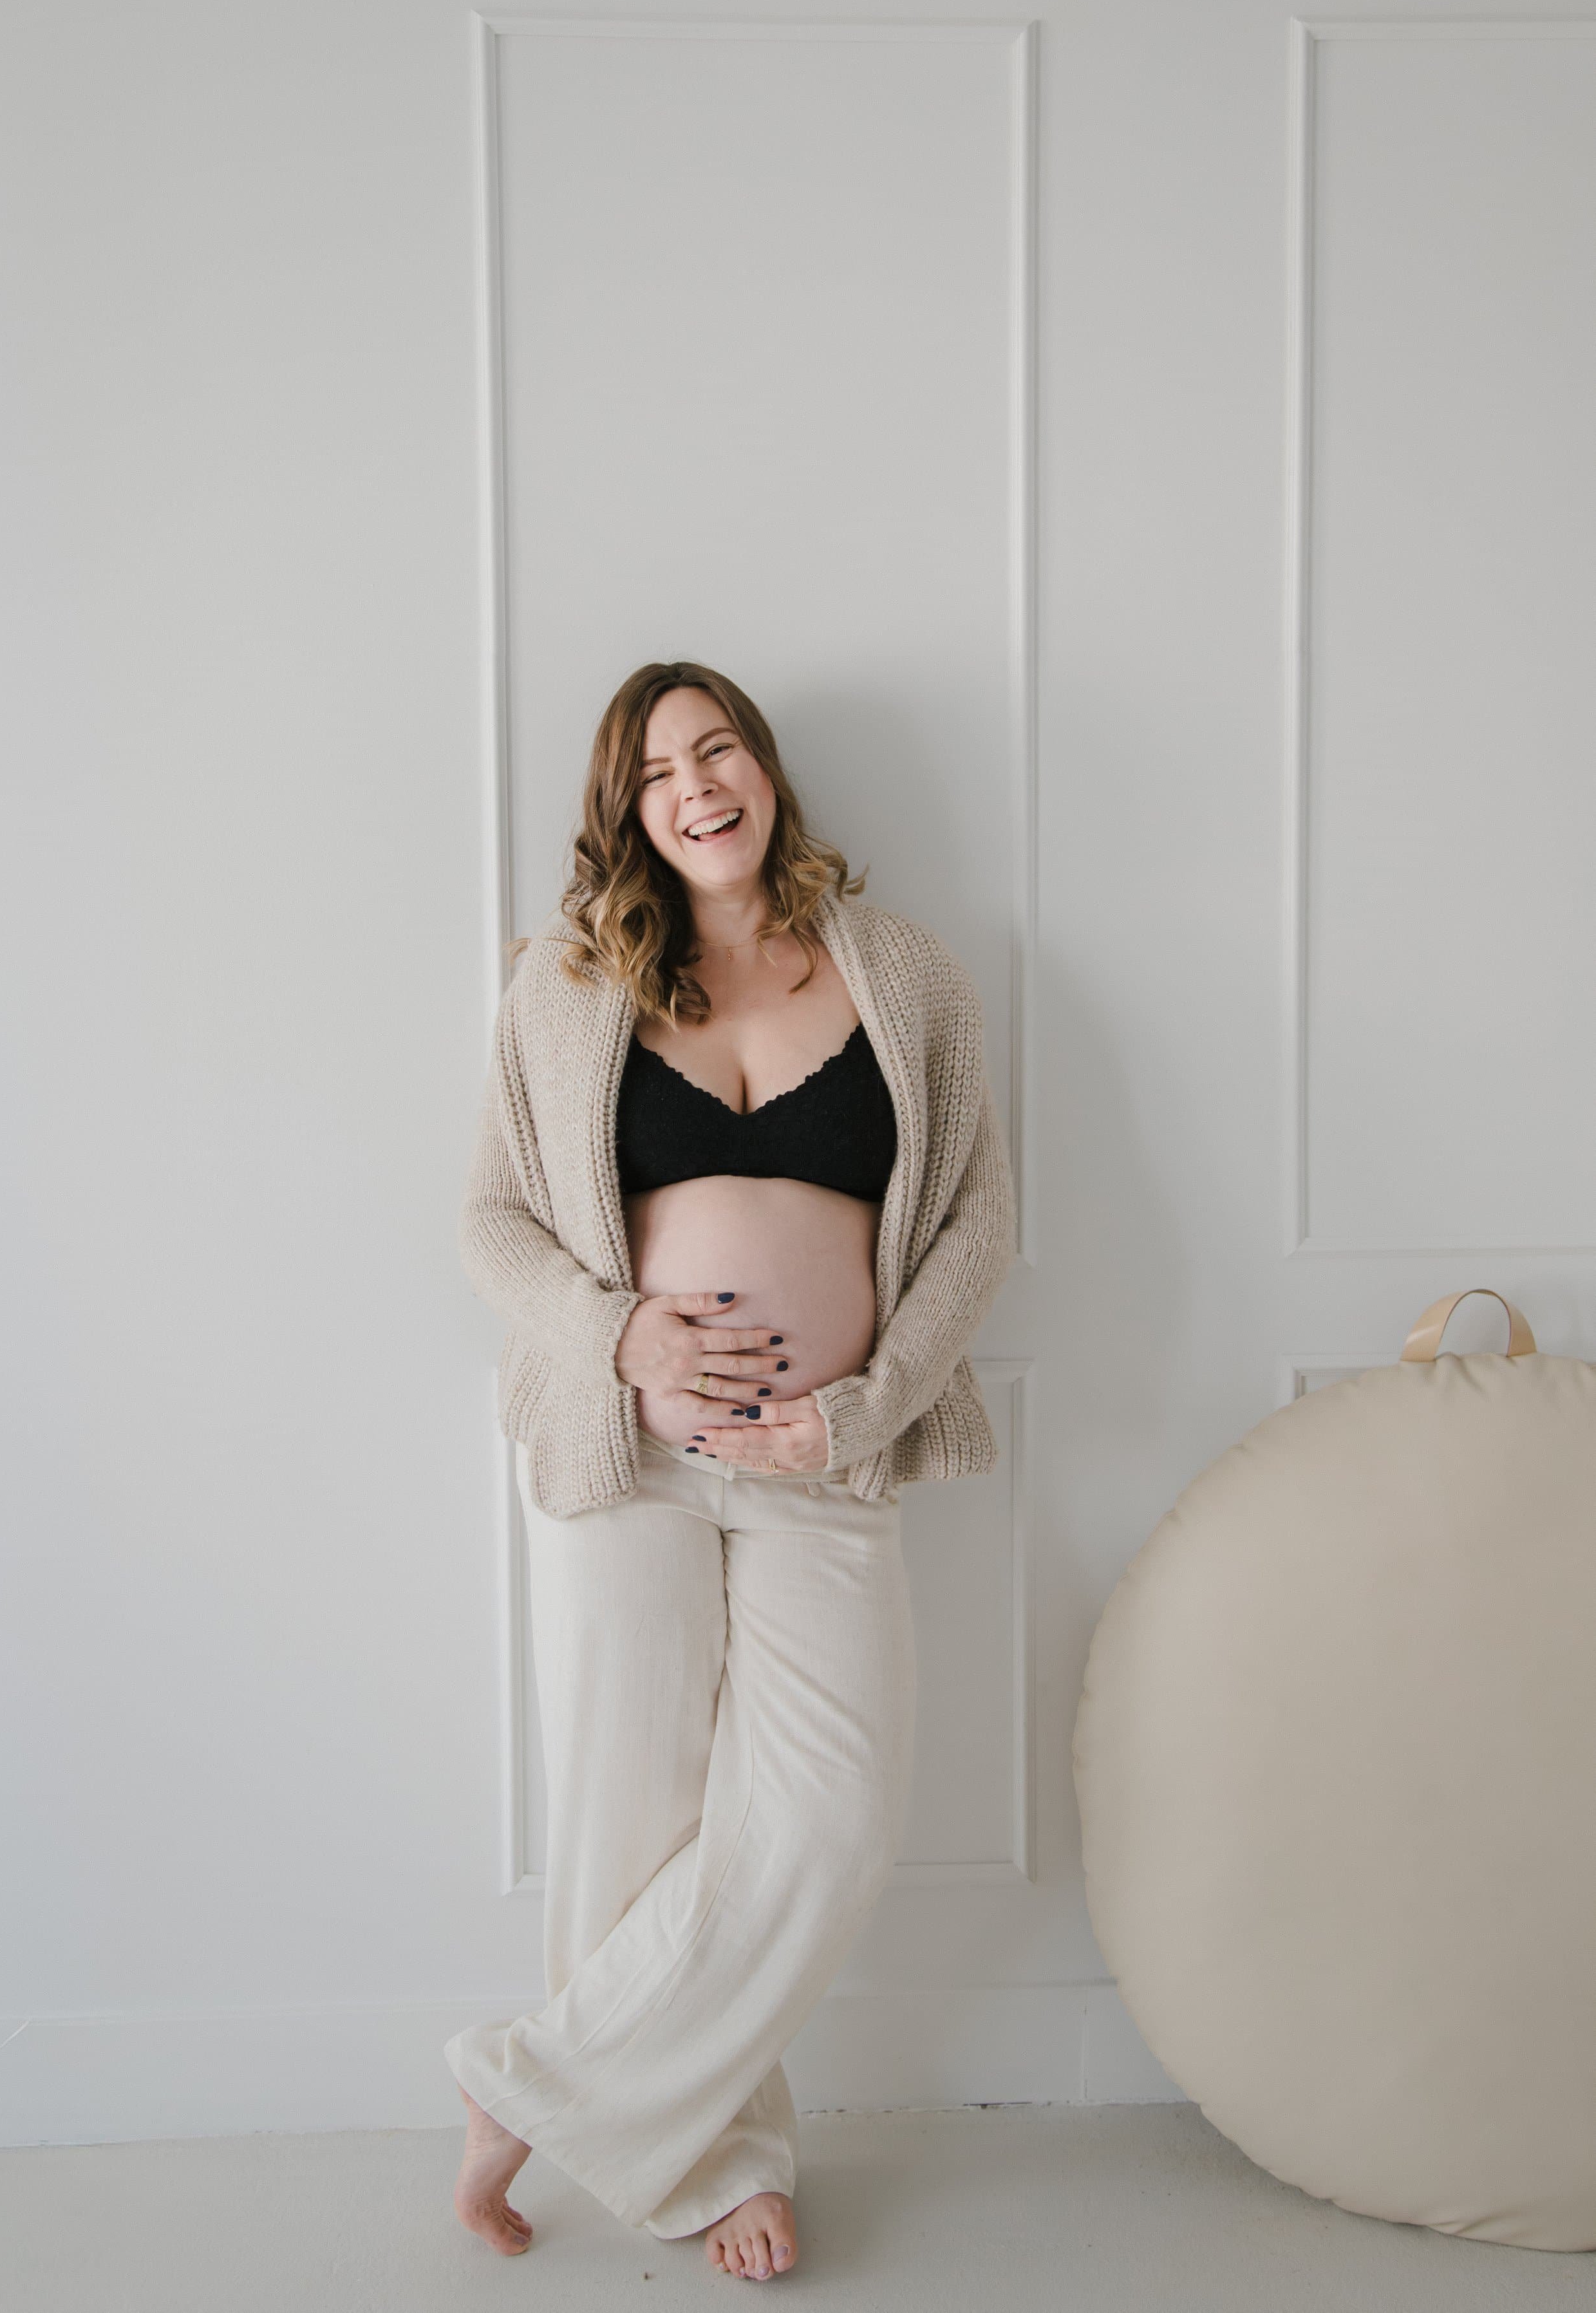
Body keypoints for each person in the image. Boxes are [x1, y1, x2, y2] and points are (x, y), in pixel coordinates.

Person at [445, 660, 1017, 2280]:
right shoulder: (565, 989)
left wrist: (867, 1404)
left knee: (826, 1816)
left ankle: (531, 2092)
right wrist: (614, 1334)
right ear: (624, 812)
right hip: (627, 1450)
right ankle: (716, 2160)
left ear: (765, 771)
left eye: (718, 751)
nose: (696, 787)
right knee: (636, 1815)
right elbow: (487, 1220)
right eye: (655, 772)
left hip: (820, 1459)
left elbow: (978, 1221)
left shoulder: (897, 973)